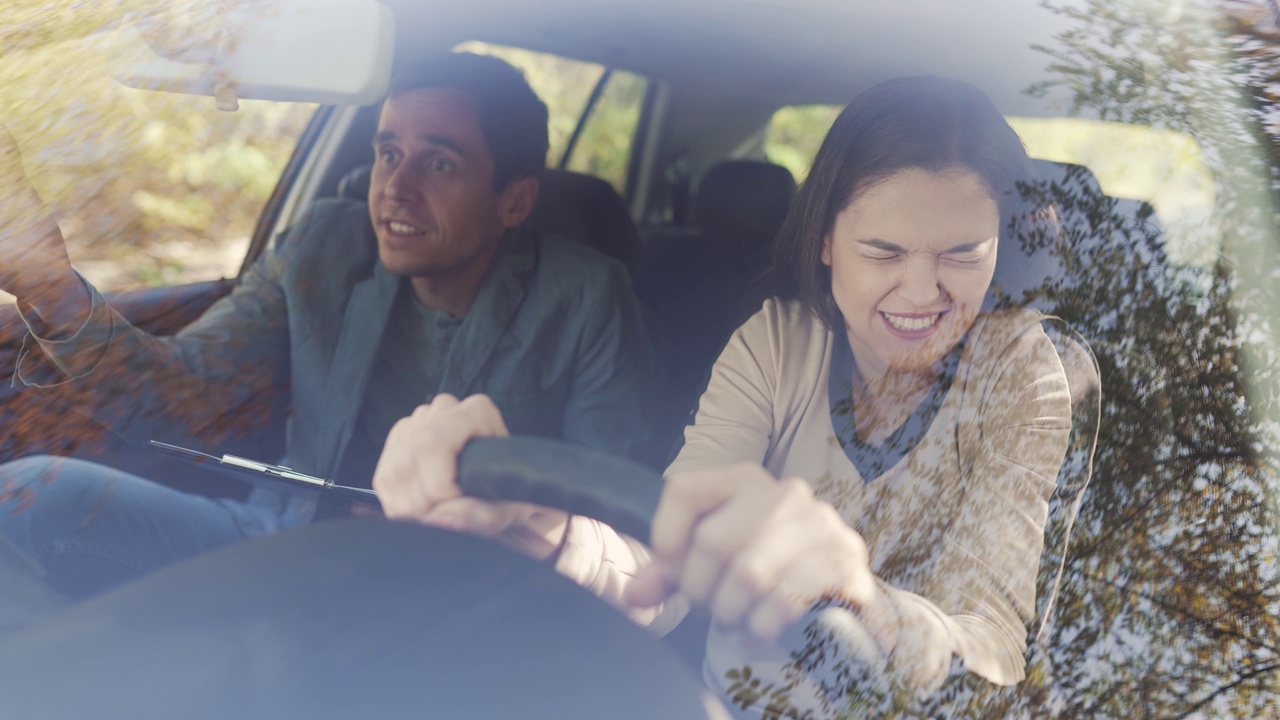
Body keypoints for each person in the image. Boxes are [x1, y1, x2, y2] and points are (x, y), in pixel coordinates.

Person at [368, 76, 1076, 715]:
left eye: (963, 254)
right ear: (826, 241)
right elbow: (658, 564)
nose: (923, 292)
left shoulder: (1021, 372)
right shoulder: (777, 344)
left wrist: (872, 609)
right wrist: (546, 524)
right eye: (884, 252)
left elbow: (995, 657)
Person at [0, 52, 655, 608]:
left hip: (454, 591)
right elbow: (179, 399)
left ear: (514, 200)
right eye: (388, 153)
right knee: (26, 493)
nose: (395, 188)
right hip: (284, 538)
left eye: (439, 165)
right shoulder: (321, 244)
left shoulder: (585, 294)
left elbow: (603, 509)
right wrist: (49, 287)